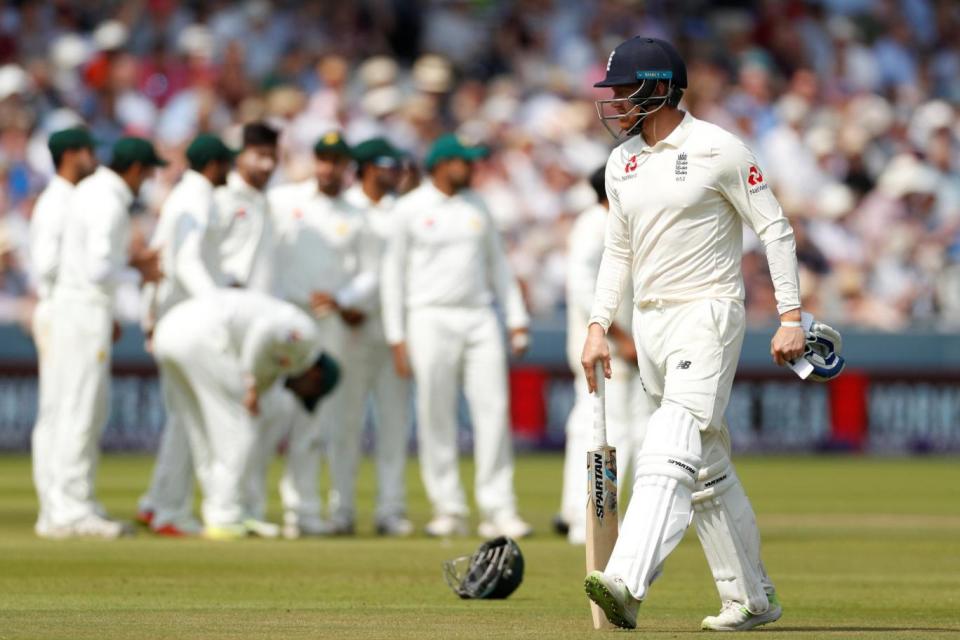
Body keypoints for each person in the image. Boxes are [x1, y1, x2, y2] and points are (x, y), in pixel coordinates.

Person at [581, 37, 804, 631]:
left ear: (658, 87)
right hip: (649, 322)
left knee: (669, 444)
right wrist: (598, 325)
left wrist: (790, 317)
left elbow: (775, 230)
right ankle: (752, 599)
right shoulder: (622, 162)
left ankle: (626, 581)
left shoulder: (717, 148)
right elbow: (617, 251)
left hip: (707, 312)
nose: (615, 103)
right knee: (705, 468)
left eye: (623, 90)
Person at [381, 133, 532, 538]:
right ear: (442, 163)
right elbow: (392, 276)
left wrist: (516, 318)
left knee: (494, 411)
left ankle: (499, 508)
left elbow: (498, 265)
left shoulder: (478, 205)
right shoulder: (409, 209)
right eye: (464, 162)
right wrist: (397, 336)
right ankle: (448, 507)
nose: (472, 167)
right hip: (428, 317)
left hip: (479, 315)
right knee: (436, 413)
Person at [46, 137, 165, 538]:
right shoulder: (108, 200)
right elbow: (99, 269)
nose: (147, 179)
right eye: (147, 171)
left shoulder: (91, 191)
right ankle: (71, 511)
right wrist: (140, 272)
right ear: (133, 169)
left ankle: (65, 507)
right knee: (82, 410)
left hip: (78, 308)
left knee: (74, 409)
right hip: (84, 309)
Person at [151, 288, 336, 540]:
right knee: (238, 429)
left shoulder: (288, 357)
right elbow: (263, 330)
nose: (298, 394)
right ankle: (225, 516)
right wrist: (250, 381)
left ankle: (172, 515)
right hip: (200, 335)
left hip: (170, 331)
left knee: (199, 431)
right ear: (316, 375)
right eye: (308, 392)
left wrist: (254, 384)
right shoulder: (306, 336)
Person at [269, 131, 375, 537]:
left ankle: (306, 509)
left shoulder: (356, 215)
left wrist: (341, 297)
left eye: (337, 160)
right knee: (275, 411)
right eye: (323, 159)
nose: (329, 167)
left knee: (316, 417)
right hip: (285, 319)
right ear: (315, 162)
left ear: (348, 167)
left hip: (325, 324)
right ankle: (256, 504)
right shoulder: (285, 201)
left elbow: (370, 273)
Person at [136, 133, 235, 536]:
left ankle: (158, 501)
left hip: (173, 317)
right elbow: (186, 262)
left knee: (183, 415)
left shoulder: (184, 196)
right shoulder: (196, 198)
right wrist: (218, 306)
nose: (229, 169)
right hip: (187, 322)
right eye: (225, 163)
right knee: (191, 416)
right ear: (213, 165)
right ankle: (169, 511)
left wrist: (150, 316)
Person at [558, 166, 650, 545]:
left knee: (599, 426)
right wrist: (620, 336)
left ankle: (578, 514)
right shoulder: (596, 225)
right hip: (603, 345)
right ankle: (590, 519)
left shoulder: (611, 222)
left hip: (613, 342)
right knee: (609, 428)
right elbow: (582, 288)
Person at [342, 137, 414, 537]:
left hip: (393, 329)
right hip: (350, 326)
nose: (394, 173)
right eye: (386, 166)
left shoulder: (402, 211)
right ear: (367, 168)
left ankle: (391, 509)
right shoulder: (347, 208)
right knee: (345, 422)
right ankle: (342, 507)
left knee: (393, 423)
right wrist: (343, 303)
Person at [29, 127, 98, 538]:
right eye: (88, 151)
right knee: (64, 408)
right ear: (71, 154)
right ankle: (60, 507)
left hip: (66, 309)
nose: (94, 158)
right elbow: (45, 266)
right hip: (60, 311)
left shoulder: (70, 198)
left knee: (67, 408)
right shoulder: (57, 201)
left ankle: (63, 505)